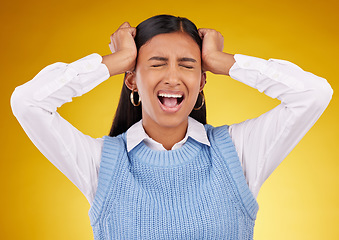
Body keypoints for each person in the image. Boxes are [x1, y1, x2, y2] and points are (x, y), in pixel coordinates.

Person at [11, 14, 333, 239]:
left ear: (203, 79)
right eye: (157, 63)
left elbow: (314, 94)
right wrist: (117, 60)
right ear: (132, 79)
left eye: (188, 65)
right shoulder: (102, 164)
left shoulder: (238, 152)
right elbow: (28, 102)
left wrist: (225, 62)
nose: (173, 77)